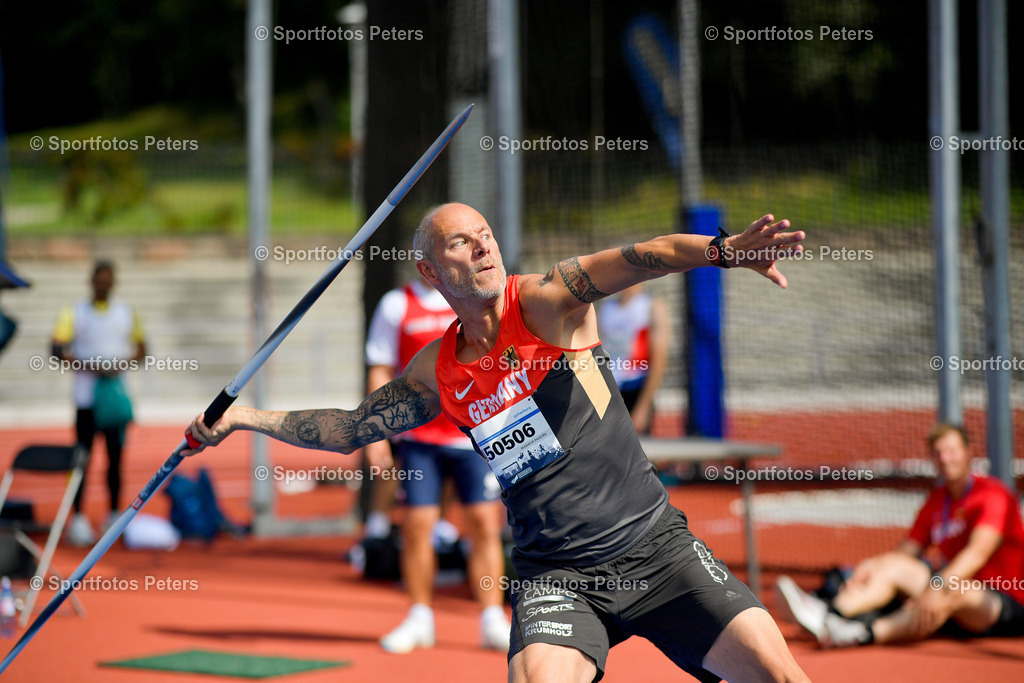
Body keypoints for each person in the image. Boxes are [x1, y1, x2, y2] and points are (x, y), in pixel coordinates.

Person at [186, 203, 809, 682]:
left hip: (656, 549)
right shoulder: (438, 372)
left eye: (484, 232)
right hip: (557, 577)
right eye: (461, 240)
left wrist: (724, 250)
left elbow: (648, 254)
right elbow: (351, 428)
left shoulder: (546, 301)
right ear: (432, 271)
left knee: (780, 675)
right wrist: (244, 418)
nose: (482, 243)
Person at [362, 275, 509, 653]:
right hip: (419, 439)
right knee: (417, 526)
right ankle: (419, 617)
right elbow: (379, 367)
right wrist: (376, 430)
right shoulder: (397, 305)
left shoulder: (474, 301)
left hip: (472, 435)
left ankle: (492, 620)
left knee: (483, 525)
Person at [777, 423, 1024, 648]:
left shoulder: (993, 495)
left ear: (968, 452)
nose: (944, 458)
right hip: (954, 589)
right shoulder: (938, 499)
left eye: (951, 450)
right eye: (938, 453)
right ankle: (827, 614)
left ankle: (861, 633)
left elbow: (977, 553)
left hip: (1003, 600)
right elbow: (907, 551)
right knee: (895, 567)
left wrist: (935, 585)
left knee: (950, 587)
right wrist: (869, 567)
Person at [51, 260, 146, 546]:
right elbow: (56, 348)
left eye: (108, 280)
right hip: (86, 399)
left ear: (113, 283)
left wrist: (119, 365)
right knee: (81, 460)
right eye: (99, 280)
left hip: (114, 399)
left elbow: (142, 349)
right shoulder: (75, 312)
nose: (103, 285)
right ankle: (78, 516)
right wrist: (88, 365)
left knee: (116, 460)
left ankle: (114, 513)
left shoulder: (127, 312)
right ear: (91, 281)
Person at [596, 283, 668, 434]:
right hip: (610, 387)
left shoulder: (651, 306)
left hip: (636, 386)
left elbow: (659, 359)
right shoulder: (606, 307)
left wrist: (643, 406)